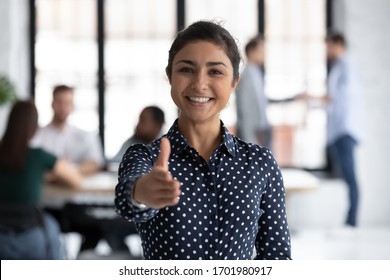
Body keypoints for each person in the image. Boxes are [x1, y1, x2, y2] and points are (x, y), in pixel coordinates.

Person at [115, 21, 291, 260]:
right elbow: (127, 202)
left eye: (215, 71)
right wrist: (142, 192)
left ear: (234, 82)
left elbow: (276, 257)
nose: (199, 83)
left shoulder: (260, 162)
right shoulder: (145, 156)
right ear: (170, 75)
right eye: (186, 69)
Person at [0, 101, 82, 259]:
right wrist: (48, 177)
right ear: (33, 127)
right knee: (52, 225)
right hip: (32, 236)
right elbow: (76, 181)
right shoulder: (38, 156)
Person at [325, 32, 362, 227]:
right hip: (339, 130)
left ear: (338, 44)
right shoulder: (338, 66)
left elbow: (338, 99)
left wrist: (311, 98)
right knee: (347, 178)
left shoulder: (347, 66)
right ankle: (349, 222)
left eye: (329, 45)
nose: (327, 50)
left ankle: (351, 223)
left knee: (350, 177)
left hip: (345, 130)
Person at [31, 85, 105, 178]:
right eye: (59, 102)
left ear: (72, 106)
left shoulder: (85, 136)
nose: (63, 108)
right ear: (52, 104)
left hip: (76, 190)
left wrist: (67, 170)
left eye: (67, 103)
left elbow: (96, 163)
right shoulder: (37, 134)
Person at [235, 35, 272, 148]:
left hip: (262, 130)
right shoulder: (245, 77)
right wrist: (250, 141)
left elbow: (261, 102)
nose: (265, 54)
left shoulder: (257, 74)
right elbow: (244, 110)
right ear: (251, 52)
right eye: (261, 50)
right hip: (252, 133)